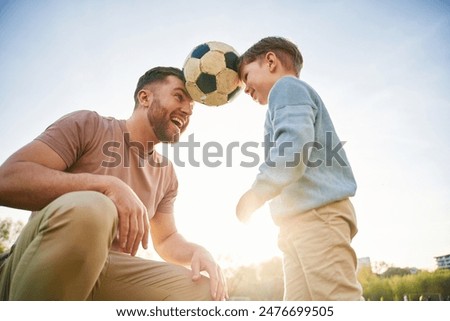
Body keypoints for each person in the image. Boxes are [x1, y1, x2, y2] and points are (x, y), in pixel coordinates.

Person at [0, 66, 227, 301]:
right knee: (96, 206)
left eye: (191, 108)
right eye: (179, 96)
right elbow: (7, 180)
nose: (186, 110)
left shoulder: (167, 173)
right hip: (34, 266)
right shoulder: (89, 125)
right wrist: (107, 186)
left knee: (204, 293)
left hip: (107, 273)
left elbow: (166, 238)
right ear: (145, 97)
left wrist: (198, 252)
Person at [235, 37, 363, 300]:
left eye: (246, 76)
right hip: (295, 225)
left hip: (317, 216)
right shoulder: (285, 97)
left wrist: (256, 193)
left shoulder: (287, 87)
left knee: (339, 301)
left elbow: (293, 147)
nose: (245, 88)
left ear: (270, 62)